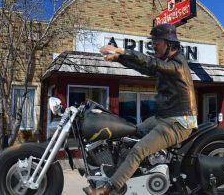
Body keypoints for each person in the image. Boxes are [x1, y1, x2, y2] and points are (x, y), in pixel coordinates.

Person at [83, 23, 198, 195]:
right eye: (152, 42)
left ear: (169, 43)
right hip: (163, 118)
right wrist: (118, 59)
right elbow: (144, 67)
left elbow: (150, 63)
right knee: (130, 135)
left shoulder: (177, 64)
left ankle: (109, 188)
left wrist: (122, 51)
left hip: (179, 123)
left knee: (139, 150)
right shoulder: (166, 65)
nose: (153, 45)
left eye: (156, 42)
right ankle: (126, 174)